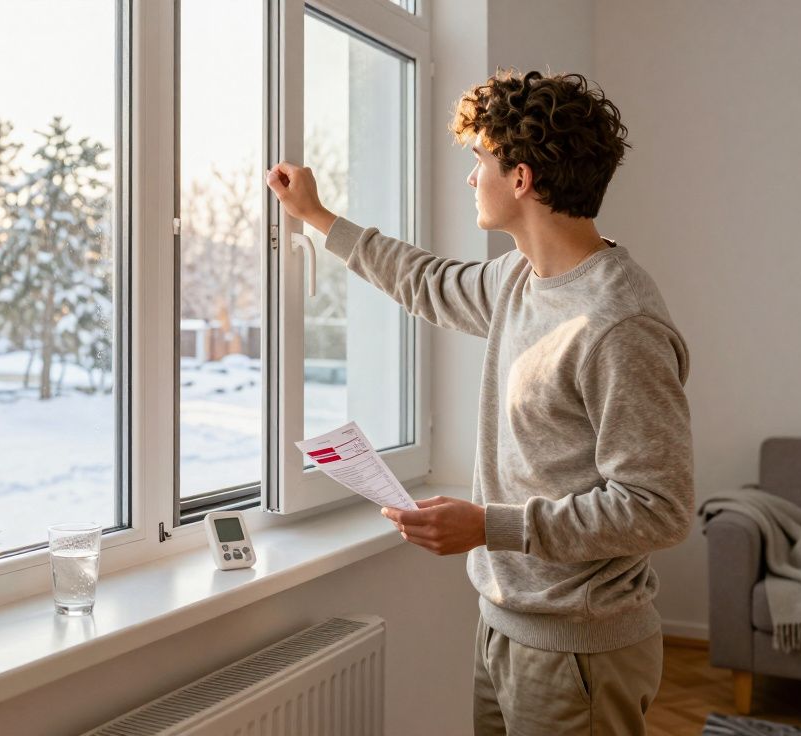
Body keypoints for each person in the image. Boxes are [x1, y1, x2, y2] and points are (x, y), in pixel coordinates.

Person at [266, 69, 693, 735]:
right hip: (504, 628)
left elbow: (659, 509)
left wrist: (490, 526)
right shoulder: (520, 279)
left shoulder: (618, 322)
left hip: (581, 652)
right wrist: (316, 218)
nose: (471, 178)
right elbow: (425, 281)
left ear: (520, 178)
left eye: (479, 160)